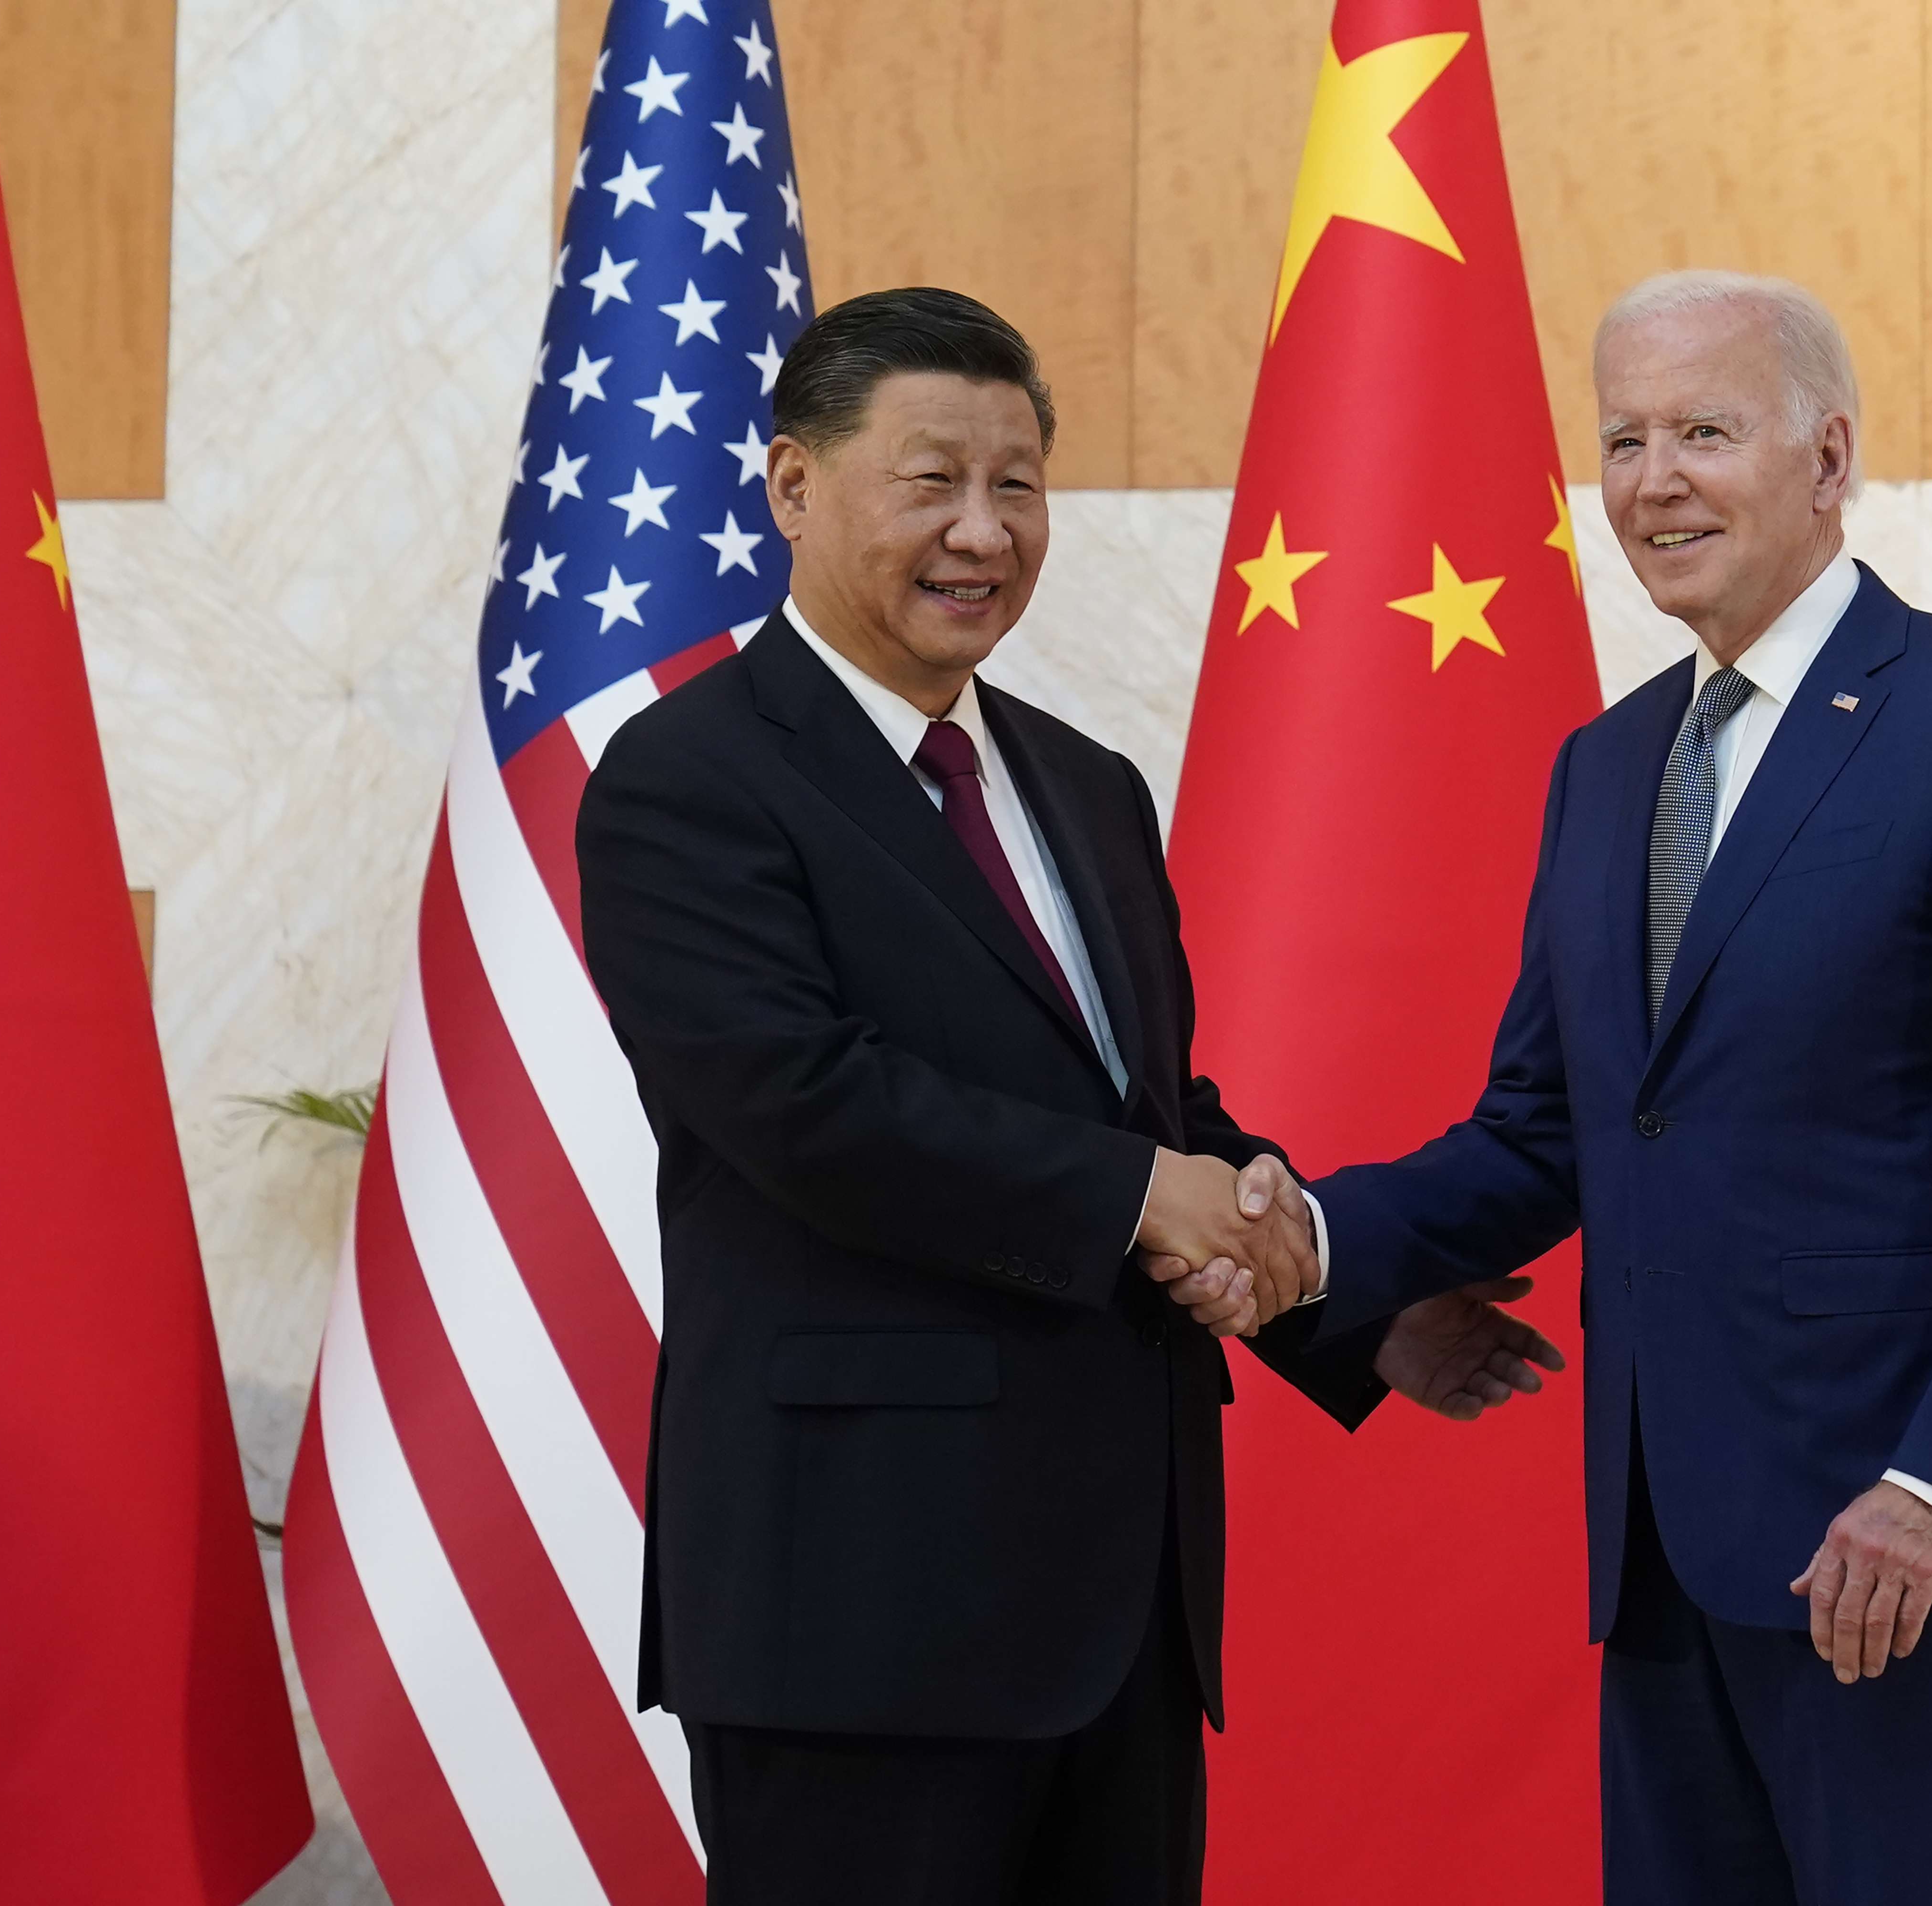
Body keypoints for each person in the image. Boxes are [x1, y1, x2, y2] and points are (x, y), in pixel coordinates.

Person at [574, 286, 1560, 1905]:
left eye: (1019, 483)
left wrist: (1332, 1291)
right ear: (794, 486)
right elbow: (802, 1104)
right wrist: (1140, 1198)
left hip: (1121, 1610)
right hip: (864, 1615)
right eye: (931, 480)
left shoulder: (1084, 785)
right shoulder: (690, 779)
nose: (983, 531)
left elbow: (1149, 1111)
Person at [1280, 271, 1932, 1901]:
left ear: (1828, 459)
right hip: (1666, 1536)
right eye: (1621, 440)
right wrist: (1310, 1253)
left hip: (1894, 1550)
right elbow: (1549, 1134)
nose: (1653, 480)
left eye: (1704, 431)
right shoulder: (1609, 764)